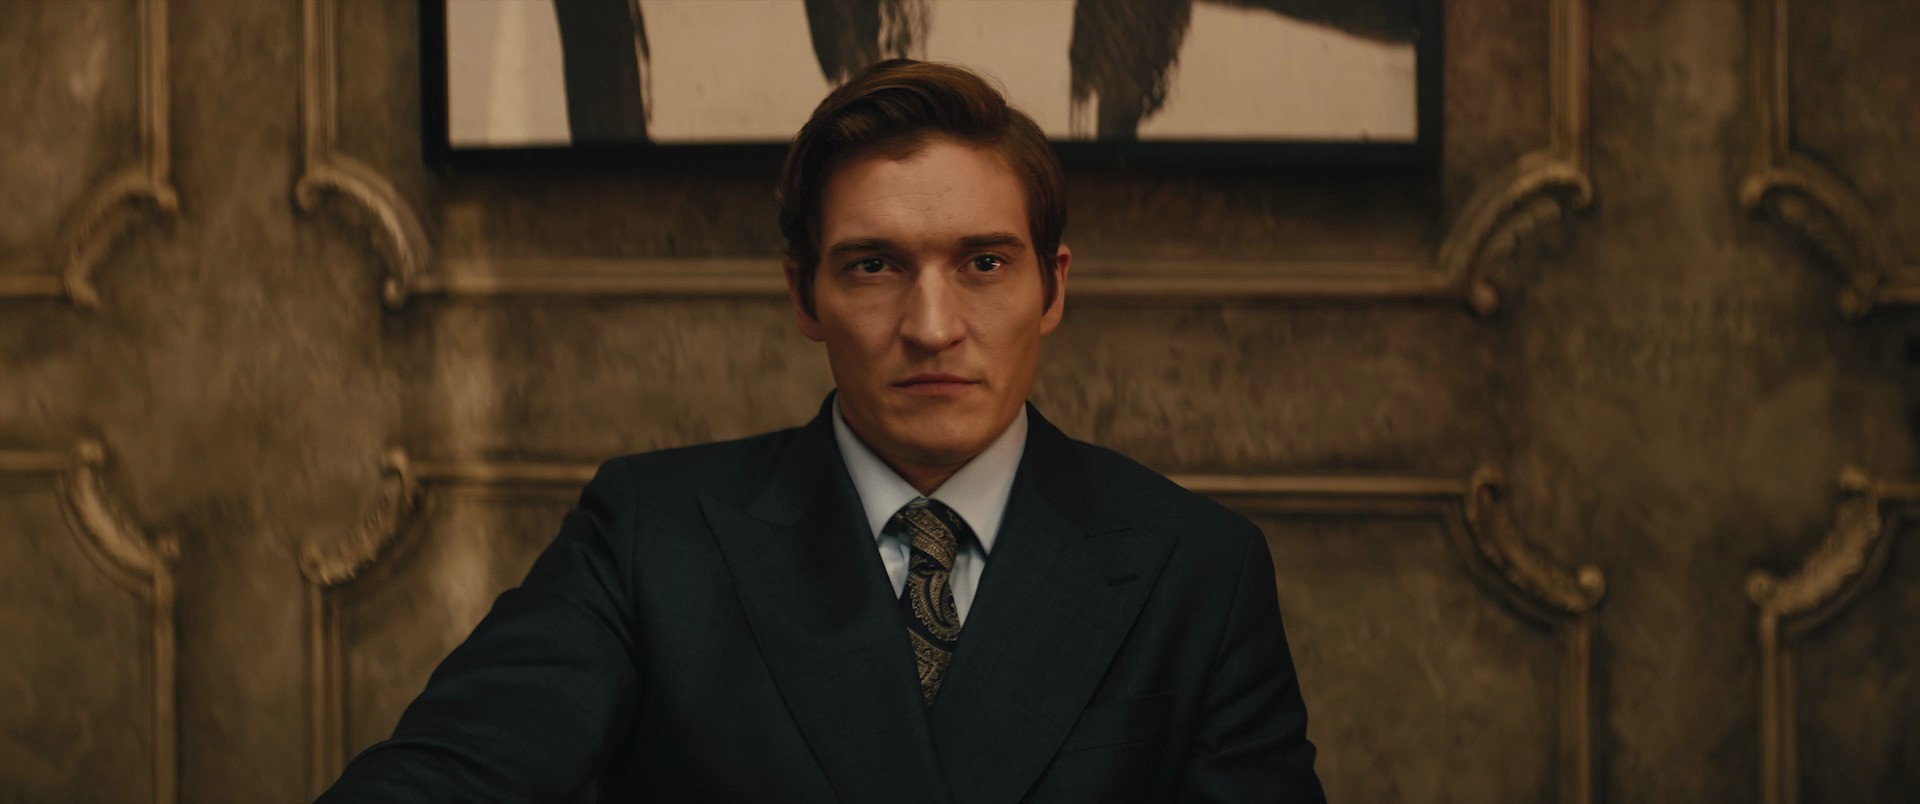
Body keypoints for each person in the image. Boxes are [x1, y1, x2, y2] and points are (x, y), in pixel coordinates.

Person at [317, 59, 1322, 803]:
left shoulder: (1198, 567)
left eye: (983, 264)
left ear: (1052, 289)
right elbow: (441, 779)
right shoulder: (651, 538)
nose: (932, 327)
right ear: (803, 296)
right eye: (874, 266)